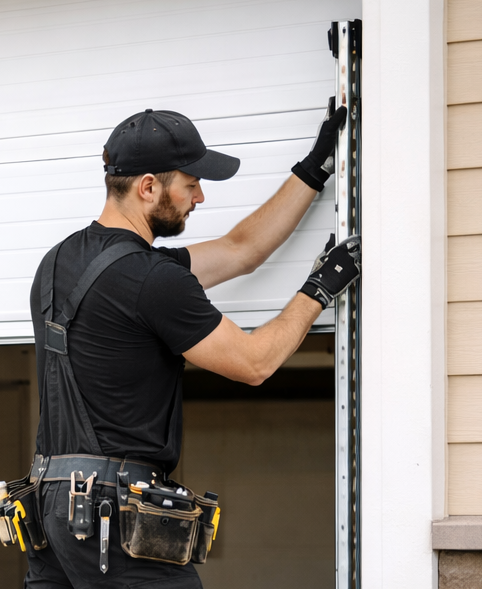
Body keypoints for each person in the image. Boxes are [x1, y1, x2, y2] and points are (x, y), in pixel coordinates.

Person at [25, 107, 361, 588]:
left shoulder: (55, 264)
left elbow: (240, 250)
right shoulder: (151, 281)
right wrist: (320, 289)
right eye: (190, 184)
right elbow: (255, 363)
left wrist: (313, 170)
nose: (199, 196)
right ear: (148, 187)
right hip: (111, 516)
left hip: (50, 509)